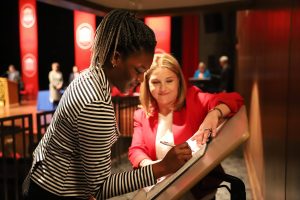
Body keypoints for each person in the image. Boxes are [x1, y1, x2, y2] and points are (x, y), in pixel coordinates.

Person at [23, 10, 192, 200]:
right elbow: (101, 188)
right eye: (139, 70)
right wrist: (162, 167)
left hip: (44, 182)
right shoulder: (94, 103)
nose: (141, 79)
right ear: (116, 58)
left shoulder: (89, 76)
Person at [128, 53, 244, 198]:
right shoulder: (141, 114)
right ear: (147, 85)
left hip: (198, 189)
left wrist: (214, 114)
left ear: (178, 81)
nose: (163, 88)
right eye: (156, 82)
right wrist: (152, 167)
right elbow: (136, 150)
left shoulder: (194, 99)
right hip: (163, 188)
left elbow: (235, 98)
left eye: (169, 81)